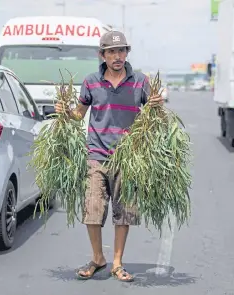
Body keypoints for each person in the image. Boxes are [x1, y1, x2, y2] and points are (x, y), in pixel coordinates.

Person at [54, 30, 164, 282]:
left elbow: (155, 118)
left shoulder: (141, 82)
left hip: (128, 157)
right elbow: (79, 114)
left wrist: (157, 105)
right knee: (92, 209)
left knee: (123, 212)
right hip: (96, 154)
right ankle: (97, 258)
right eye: (112, 51)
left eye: (121, 51)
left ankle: (116, 262)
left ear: (127, 53)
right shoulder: (91, 81)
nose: (117, 56)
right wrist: (64, 111)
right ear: (102, 55)